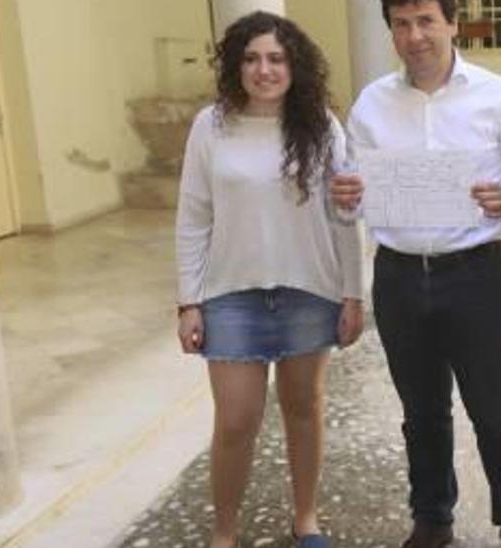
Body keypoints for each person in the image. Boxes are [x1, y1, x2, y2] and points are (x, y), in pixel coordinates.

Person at [327, 1, 501, 546]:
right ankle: (432, 517)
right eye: (402, 24)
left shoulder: (498, 95)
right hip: (398, 275)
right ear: (391, 31)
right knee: (421, 411)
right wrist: (346, 197)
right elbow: (353, 200)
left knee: (494, 409)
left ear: (451, 22)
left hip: (474, 274)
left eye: (426, 20)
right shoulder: (372, 104)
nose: (415, 35)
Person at [175, 11, 363, 548]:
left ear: (294, 65)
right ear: (235, 66)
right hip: (230, 297)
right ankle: (224, 532)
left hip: (309, 292)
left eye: (276, 58)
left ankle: (306, 519)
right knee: (235, 421)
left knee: (303, 409)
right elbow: (193, 217)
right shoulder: (209, 127)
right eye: (252, 58)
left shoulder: (322, 126)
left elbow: (345, 215)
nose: (264, 69)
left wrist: (353, 293)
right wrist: (188, 301)